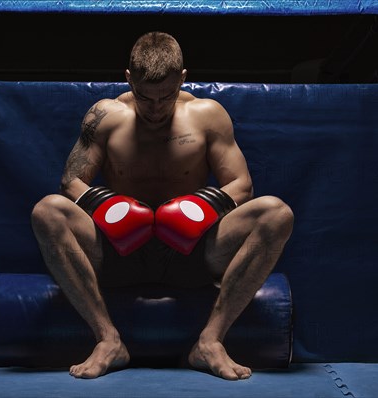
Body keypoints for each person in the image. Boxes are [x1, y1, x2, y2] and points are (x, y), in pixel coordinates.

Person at [31, 31, 294, 381]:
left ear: (183, 79)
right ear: (128, 78)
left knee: (276, 213)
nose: (155, 108)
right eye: (144, 96)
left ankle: (210, 341)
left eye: (166, 96)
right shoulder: (106, 115)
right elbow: (71, 182)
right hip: (120, 250)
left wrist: (196, 207)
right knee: (47, 211)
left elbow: (241, 184)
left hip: (191, 250)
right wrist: (113, 207)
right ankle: (108, 340)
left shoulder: (207, 115)